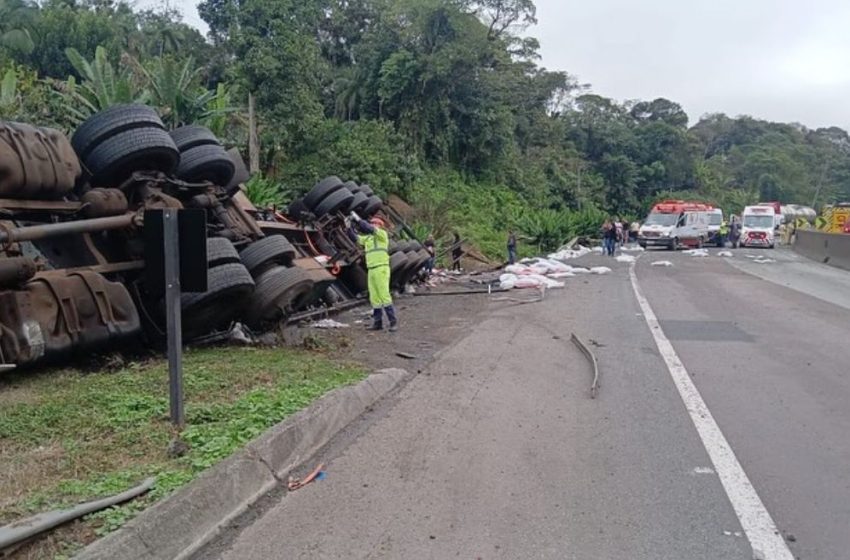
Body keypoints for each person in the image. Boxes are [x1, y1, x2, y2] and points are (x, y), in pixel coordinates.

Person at [348, 213, 398, 332]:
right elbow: (356, 238)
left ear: (380, 226)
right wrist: (348, 228)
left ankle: (393, 322)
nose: (373, 225)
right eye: (372, 223)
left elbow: (368, 228)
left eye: (375, 223)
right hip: (371, 269)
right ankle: (377, 323)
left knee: (384, 295)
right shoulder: (368, 238)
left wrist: (358, 219)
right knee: (375, 297)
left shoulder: (382, 234)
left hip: (381, 268)